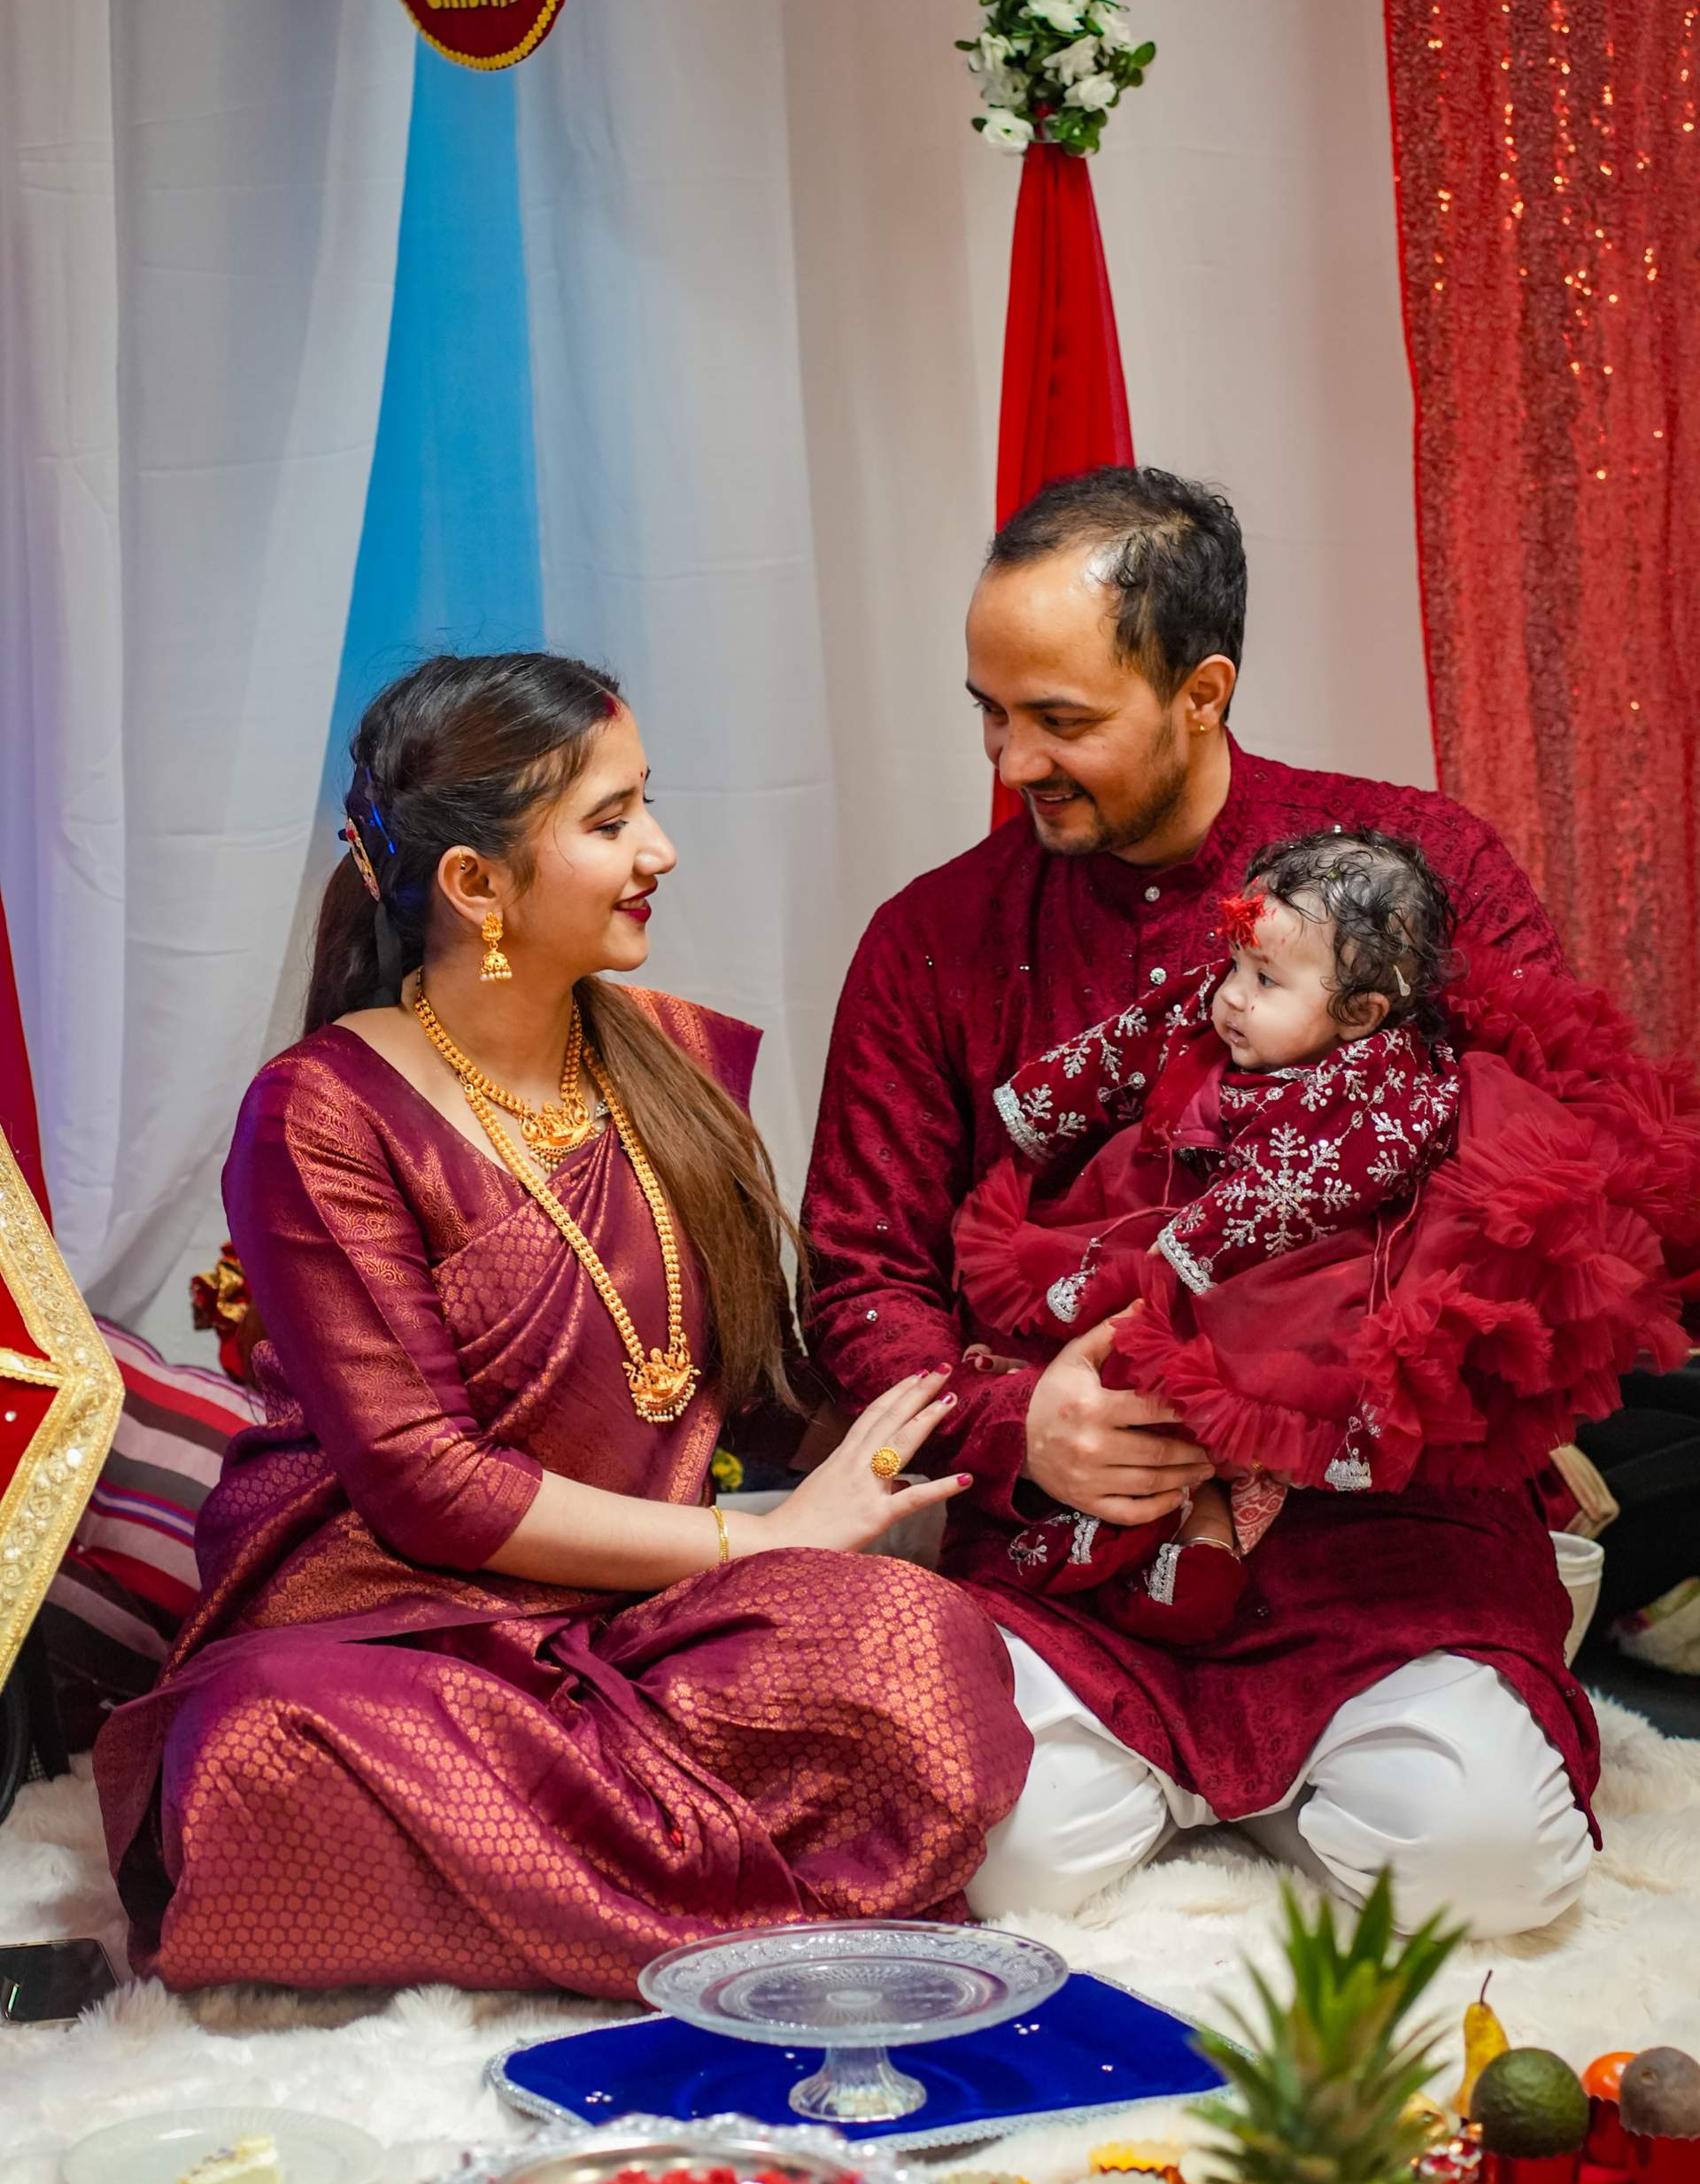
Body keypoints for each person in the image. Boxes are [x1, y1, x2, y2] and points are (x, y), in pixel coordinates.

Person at [802, 466, 1696, 1940]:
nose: (1012, 759)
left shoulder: (1420, 870)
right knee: (994, 1867)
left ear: (1202, 691)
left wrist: (1356, 1354)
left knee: (1490, 1874)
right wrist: (1028, 1426)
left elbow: (1572, 1159)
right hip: (1077, 1554)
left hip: (1386, 1542)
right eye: (991, 709)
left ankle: (1308, 1773)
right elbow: (858, 1282)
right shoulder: (930, 943)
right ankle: (1204, 1777)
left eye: (1063, 722)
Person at [95, 653, 1030, 1995]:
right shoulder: (321, 1111)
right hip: (402, 1628)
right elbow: (429, 1489)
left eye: (644, 804)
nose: (659, 850)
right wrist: (757, 1533)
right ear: (475, 884)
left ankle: (543, 1897)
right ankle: (728, 1911)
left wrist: (985, 1396)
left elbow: (746, 1384)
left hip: (651, 1620)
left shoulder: (667, 1053)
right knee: (254, 1746)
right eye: (608, 822)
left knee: (921, 1644)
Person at [951, 826, 1692, 1637]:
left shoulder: (1389, 1084)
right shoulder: (1226, 1013)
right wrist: (1047, 1106)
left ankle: (1204, 1536)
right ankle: (1147, 1515)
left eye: (1264, 979)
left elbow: (1312, 1182)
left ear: (1360, 1012)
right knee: (1111, 1334)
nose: (1231, 995)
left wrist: (1196, 1249)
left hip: (1291, 1262)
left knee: (1236, 1399)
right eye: (1234, 964)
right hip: (1179, 1202)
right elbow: (1138, 1037)